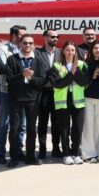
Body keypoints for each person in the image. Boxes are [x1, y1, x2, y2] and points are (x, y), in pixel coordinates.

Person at [6, 34, 51, 166]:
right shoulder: (12, 59)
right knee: (14, 128)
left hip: (32, 99)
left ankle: (30, 156)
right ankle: (14, 157)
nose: (28, 45)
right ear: (20, 44)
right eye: (25, 43)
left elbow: (42, 80)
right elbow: (9, 79)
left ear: (33, 45)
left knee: (31, 129)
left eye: (30, 43)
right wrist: (22, 75)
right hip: (16, 98)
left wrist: (31, 78)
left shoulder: (38, 60)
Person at [50, 41, 89, 165]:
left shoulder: (82, 65)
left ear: (76, 52)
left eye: (73, 50)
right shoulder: (56, 66)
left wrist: (75, 70)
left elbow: (84, 82)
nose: (70, 53)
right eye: (67, 50)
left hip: (78, 102)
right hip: (63, 102)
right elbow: (57, 84)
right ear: (63, 51)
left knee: (77, 129)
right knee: (64, 129)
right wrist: (71, 74)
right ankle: (66, 154)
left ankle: (75, 153)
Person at [0, 25, 27, 165]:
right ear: (13, 36)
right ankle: (0, 153)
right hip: (7, 91)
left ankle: (18, 151)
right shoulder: (3, 49)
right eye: (21, 35)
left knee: (22, 125)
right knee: (4, 123)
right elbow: (2, 68)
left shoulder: (26, 49)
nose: (24, 38)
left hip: (23, 92)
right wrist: (21, 71)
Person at [81, 41, 99, 163]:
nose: (97, 50)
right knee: (88, 125)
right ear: (91, 50)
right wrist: (92, 76)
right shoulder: (85, 64)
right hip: (88, 97)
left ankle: (98, 152)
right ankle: (88, 153)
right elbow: (82, 81)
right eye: (95, 48)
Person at [35, 29, 61, 158]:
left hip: (57, 92)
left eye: (57, 37)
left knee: (57, 122)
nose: (55, 39)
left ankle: (56, 148)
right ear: (45, 38)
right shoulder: (37, 53)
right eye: (52, 37)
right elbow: (35, 71)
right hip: (43, 93)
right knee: (43, 122)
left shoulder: (61, 53)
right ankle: (42, 149)